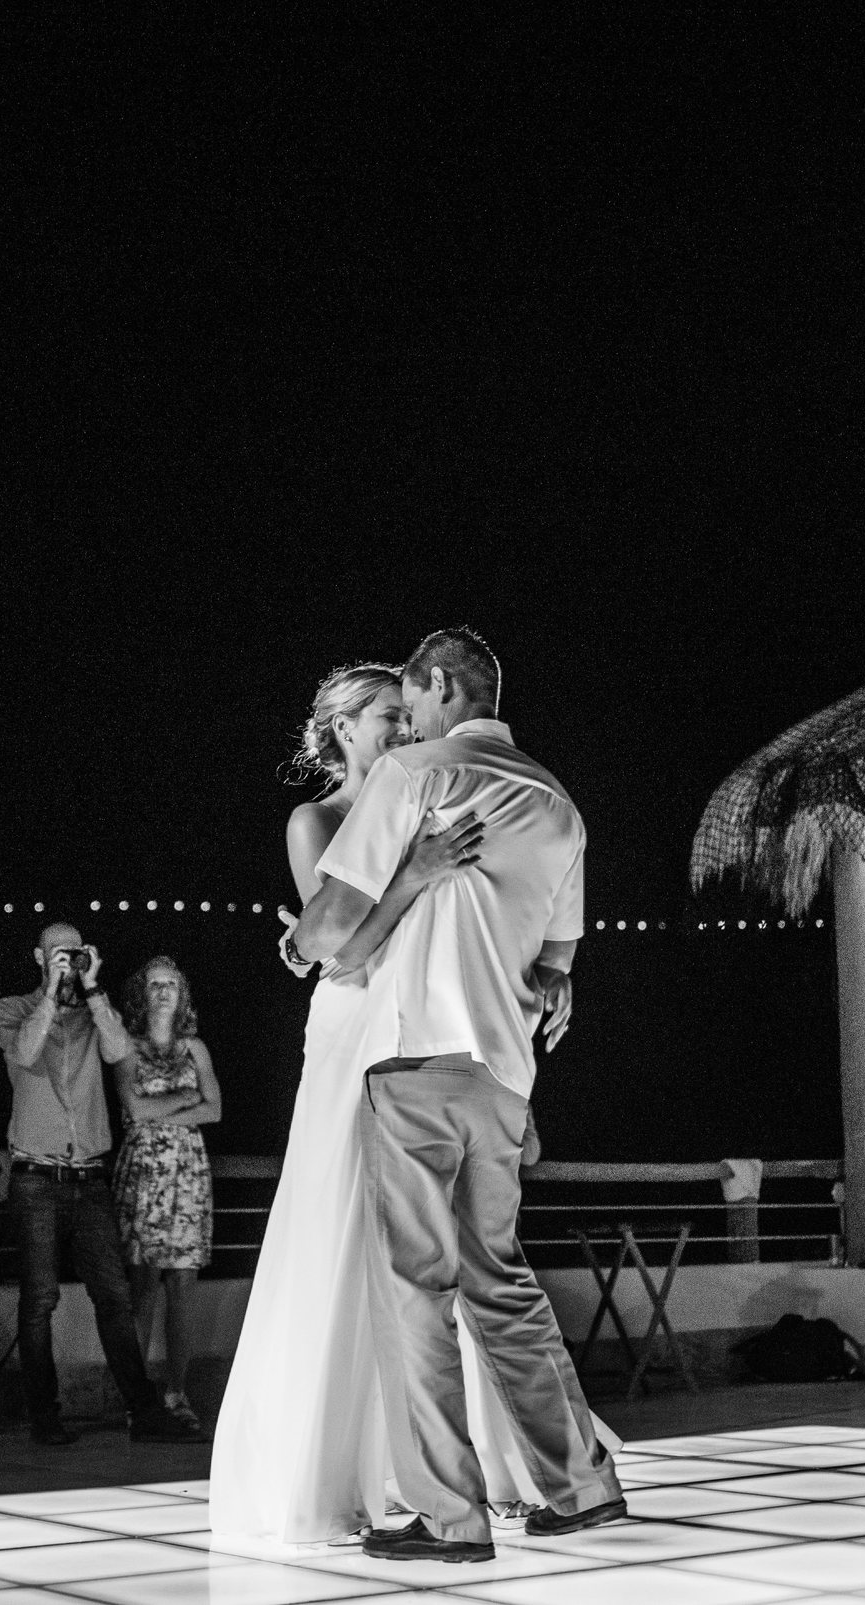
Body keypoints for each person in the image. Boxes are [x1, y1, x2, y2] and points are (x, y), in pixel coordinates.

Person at [291, 627, 626, 1563]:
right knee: (502, 1280)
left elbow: (328, 929)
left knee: (415, 1289)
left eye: (412, 698)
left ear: (440, 685)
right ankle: (583, 1485)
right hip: (507, 1080)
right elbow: (558, 962)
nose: (407, 720)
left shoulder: (417, 776)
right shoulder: (561, 806)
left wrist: (304, 938)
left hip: (418, 1061)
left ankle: (449, 1516)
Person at [0, 924, 202, 1444]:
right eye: (56, 953)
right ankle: (45, 1416)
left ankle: (144, 1412)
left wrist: (91, 986)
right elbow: (24, 1054)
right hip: (36, 1176)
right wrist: (51, 991)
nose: (66, 960)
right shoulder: (12, 1008)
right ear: (38, 957)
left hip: (89, 1176)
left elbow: (116, 1051)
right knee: (39, 1299)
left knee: (113, 1295)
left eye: (74, 951)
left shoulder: (96, 1013)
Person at [111, 957, 221, 1425]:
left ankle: (177, 1393)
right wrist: (187, 1100)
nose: (163, 993)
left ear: (182, 994)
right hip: (143, 1173)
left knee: (182, 1289)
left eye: (171, 985)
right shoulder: (128, 1047)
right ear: (143, 993)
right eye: (155, 985)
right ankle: (136, 1400)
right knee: (142, 1289)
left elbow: (214, 1110)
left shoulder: (195, 1048)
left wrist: (163, 1112)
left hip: (188, 1176)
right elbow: (133, 1108)